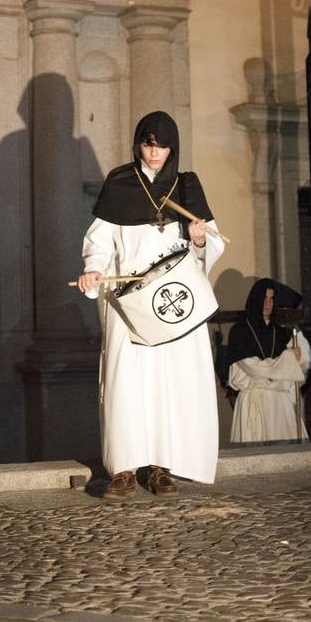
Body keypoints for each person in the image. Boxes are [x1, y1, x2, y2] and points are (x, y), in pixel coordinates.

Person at [77, 110, 224, 499]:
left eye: (161, 145)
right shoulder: (120, 182)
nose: (154, 152)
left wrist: (199, 239)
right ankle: (123, 470)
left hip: (176, 305)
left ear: (172, 147)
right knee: (127, 383)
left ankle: (159, 468)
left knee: (168, 386)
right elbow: (99, 241)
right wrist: (92, 270)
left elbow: (213, 240)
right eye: (148, 143)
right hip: (130, 306)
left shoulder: (188, 185)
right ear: (138, 144)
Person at [227, 278, 311, 443]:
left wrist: (295, 361)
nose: (268, 304)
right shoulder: (239, 332)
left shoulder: (284, 333)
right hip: (252, 399)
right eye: (264, 299)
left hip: (280, 402)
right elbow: (252, 367)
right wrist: (288, 359)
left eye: (271, 299)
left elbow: (305, 362)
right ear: (255, 300)